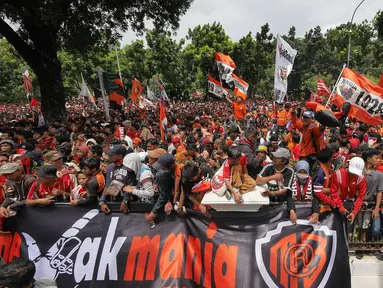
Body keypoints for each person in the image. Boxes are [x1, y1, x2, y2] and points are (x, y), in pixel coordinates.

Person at [257, 148, 296, 223]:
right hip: (267, 204)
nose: (274, 158)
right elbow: (257, 180)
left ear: (284, 161)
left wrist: (271, 193)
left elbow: (285, 190)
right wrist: (273, 177)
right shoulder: (268, 167)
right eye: (273, 156)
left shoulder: (289, 171)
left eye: (277, 157)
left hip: (281, 206)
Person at [99, 145, 136, 214]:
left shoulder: (129, 167)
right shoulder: (110, 167)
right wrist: (102, 201)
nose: (109, 156)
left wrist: (125, 201)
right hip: (114, 201)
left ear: (120, 156)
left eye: (112, 155)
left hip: (130, 203)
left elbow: (131, 185)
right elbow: (108, 185)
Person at [331, 157, 367, 224]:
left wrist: (354, 212)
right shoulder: (338, 174)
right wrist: (341, 207)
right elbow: (334, 192)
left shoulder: (361, 178)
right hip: (337, 205)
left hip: (352, 205)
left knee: (349, 230)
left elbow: (361, 196)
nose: (354, 174)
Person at [146, 153, 176, 223]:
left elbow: (164, 194)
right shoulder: (164, 172)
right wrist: (155, 183)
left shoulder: (164, 174)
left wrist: (154, 211)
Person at [361, 149, 383, 239]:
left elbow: (379, 191)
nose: (379, 160)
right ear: (369, 159)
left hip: (371, 205)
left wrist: (377, 208)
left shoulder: (379, 175)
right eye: (376, 158)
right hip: (358, 204)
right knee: (358, 225)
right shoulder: (359, 172)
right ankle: (359, 246)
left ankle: (365, 244)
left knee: (372, 228)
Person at [312, 147, 336, 224]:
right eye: (333, 157)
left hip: (327, 204)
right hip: (321, 206)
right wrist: (331, 202)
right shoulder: (320, 171)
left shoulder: (328, 168)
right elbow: (318, 192)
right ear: (329, 158)